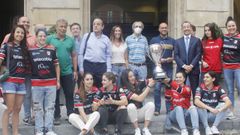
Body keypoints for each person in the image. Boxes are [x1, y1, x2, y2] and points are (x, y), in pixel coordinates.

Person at [1, 16, 36, 125]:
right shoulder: (9, 36)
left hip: (27, 72)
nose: (26, 23)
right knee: (11, 100)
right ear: (18, 23)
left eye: (27, 22)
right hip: (12, 74)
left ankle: (27, 118)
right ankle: (10, 121)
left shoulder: (33, 37)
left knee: (27, 96)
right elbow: (3, 54)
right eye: (23, 22)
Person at [29, 29, 60, 135]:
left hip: (51, 83)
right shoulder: (30, 50)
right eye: (40, 36)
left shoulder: (52, 49)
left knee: (50, 107)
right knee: (38, 108)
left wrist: (58, 81)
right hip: (36, 84)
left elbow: (56, 65)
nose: (42, 38)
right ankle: (39, 130)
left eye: (44, 36)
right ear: (36, 37)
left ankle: (49, 129)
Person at [46, 18, 78, 125]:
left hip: (68, 71)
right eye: (61, 26)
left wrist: (75, 70)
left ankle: (71, 115)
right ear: (56, 27)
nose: (63, 28)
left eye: (65, 27)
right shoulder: (49, 39)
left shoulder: (70, 40)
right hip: (53, 72)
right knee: (55, 95)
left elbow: (74, 55)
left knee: (69, 94)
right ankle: (56, 116)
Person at [0, 25, 30, 135]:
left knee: (17, 109)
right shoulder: (6, 46)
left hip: (21, 82)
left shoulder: (24, 49)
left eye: (22, 33)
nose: (20, 35)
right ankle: (5, 133)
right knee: (10, 108)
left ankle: (16, 132)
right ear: (13, 33)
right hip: (9, 81)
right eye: (18, 32)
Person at [149, 22, 175, 115]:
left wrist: (170, 59)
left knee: (168, 88)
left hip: (168, 68)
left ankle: (169, 109)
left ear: (167, 29)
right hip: (157, 68)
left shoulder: (172, 40)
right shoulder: (154, 40)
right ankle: (157, 109)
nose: (164, 29)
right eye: (162, 28)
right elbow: (150, 54)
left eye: (165, 28)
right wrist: (157, 62)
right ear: (159, 29)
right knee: (157, 89)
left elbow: (175, 54)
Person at [120, 69, 155, 135]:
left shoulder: (138, 83)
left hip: (139, 114)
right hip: (130, 117)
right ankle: (137, 129)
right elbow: (140, 99)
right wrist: (149, 87)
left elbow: (151, 80)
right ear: (126, 78)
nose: (133, 77)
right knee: (131, 106)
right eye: (130, 77)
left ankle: (145, 128)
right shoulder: (124, 89)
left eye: (133, 75)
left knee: (151, 104)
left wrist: (158, 75)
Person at [79, 17, 111, 88]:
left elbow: (108, 56)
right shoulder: (87, 36)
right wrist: (81, 67)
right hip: (88, 65)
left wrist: (108, 69)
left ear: (102, 27)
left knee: (101, 87)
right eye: (94, 24)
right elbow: (80, 53)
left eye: (98, 24)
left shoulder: (106, 39)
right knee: (87, 87)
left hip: (101, 67)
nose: (95, 26)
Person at [174, 21, 202, 98]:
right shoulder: (177, 41)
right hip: (181, 69)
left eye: (188, 27)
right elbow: (176, 56)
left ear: (190, 28)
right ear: (182, 29)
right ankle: (181, 106)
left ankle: (195, 107)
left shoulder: (197, 40)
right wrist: (184, 66)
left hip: (193, 69)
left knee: (195, 89)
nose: (186, 28)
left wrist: (191, 66)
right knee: (180, 89)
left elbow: (198, 54)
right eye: (184, 27)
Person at [222, 16, 240, 119]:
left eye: (233, 25)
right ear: (226, 27)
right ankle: (231, 112)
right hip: (227, 67)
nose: (231, 27)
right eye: (229, 26)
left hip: (238, 67)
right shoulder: (223, 37)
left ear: (236, 26)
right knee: (230, 90)